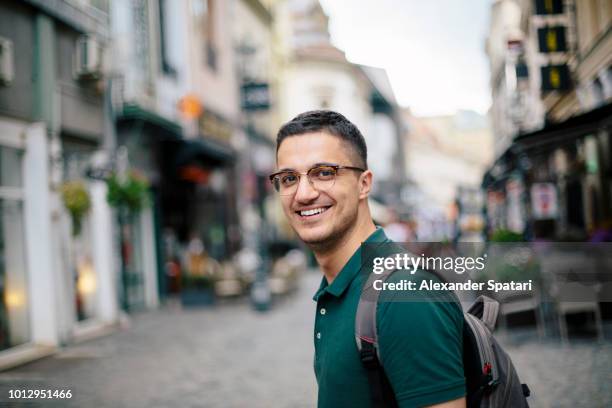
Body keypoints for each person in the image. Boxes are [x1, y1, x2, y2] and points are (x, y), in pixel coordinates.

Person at [270, 110, 466, 408]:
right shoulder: (339, 286)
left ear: (364, 184)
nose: (304, 193)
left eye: (324, 172)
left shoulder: (404, 293)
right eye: (288, 178)